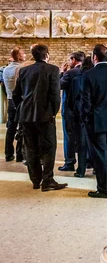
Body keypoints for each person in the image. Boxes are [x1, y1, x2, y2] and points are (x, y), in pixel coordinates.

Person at [12, 44, 67, 192]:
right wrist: (53, 112)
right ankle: (47, 180)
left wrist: (22, 108)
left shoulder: (24, 70)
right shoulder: (53, 69)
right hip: (45, 115)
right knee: (49, 147)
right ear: (47, 55)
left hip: (26, 115)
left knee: (31, 148)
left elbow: (16, 94)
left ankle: (35, 180)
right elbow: (55, 95)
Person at [81, 44, 107, 198]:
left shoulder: (89, 75)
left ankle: (103, 189)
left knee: (100, 156)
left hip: (95, 121)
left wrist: (85, 119)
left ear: (94, 57)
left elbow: (85, 102)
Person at [58, 51, 85, 171]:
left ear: (74, 60)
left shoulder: (70, 73)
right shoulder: (87, 72)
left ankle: (69, 162)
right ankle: (85, 162)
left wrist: (62, 73)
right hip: (83, 110)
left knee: (69, 136)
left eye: (70, 60)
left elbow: (58, 85)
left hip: (69, 110)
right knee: (83, 135)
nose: (69, 62)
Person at [2, 47, 26, 162]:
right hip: (20, 100)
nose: (25, 55)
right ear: (18, 56)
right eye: (22, 53)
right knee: (22, 127)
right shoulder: (21, 69)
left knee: (11, 127)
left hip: (10, 99)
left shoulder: (6, 69)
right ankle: (19, 154)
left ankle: (8, 153)